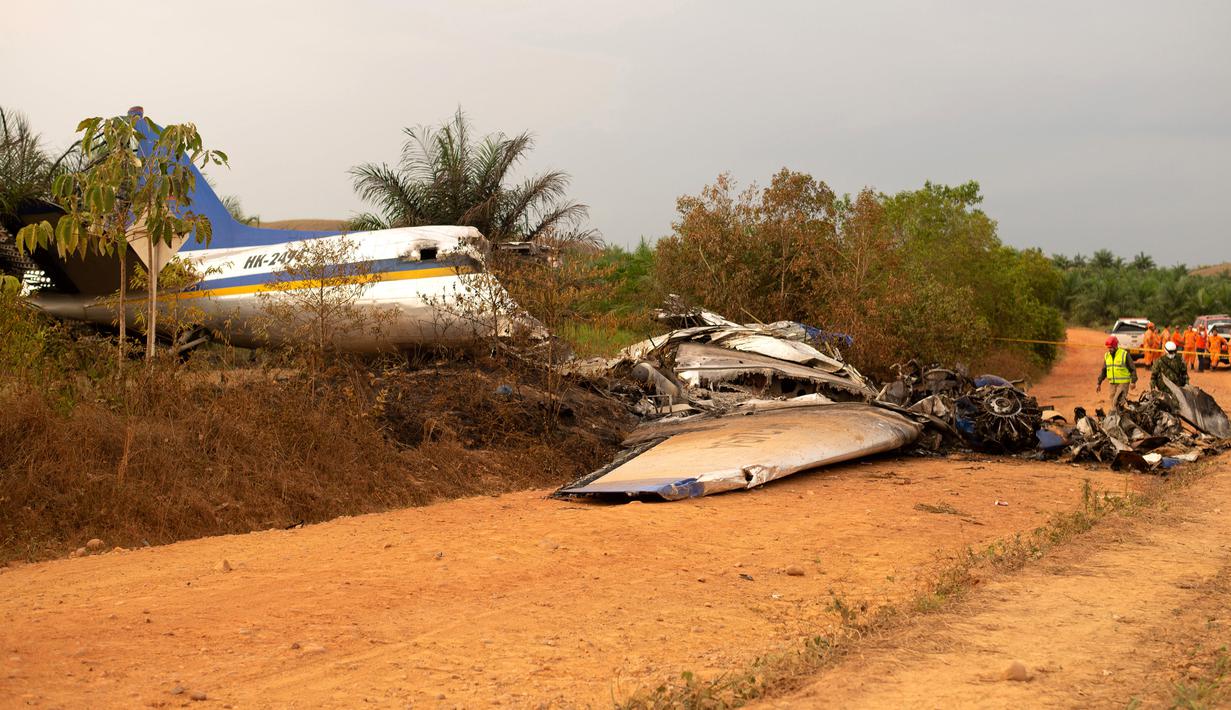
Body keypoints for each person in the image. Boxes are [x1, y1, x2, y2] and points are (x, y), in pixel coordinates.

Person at [1096, 335, 1137, 411]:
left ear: (1115, 346)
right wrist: (1099, 382)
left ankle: (1121, 418)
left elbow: (1132, 368)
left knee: (1116, 402)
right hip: (1112, 384)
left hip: (1123, 383)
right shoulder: (1107, 356)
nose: (1110, 349)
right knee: (1113, 404)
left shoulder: (1124, 354)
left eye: (1111, 347)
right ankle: (1120, 419)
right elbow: (1104, 370)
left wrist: (1133, 381)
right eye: (1108, 347)